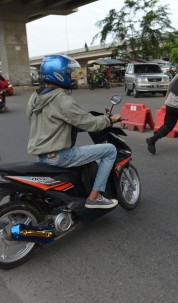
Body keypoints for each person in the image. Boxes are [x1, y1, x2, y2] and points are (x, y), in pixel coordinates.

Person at [27, 54, 122, 209]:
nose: (71, 76)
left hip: (43, 157)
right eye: (68, 72)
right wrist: (110, 120)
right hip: (60, 156)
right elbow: (88, 122)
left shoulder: (35, 98)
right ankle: (94, 198)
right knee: (110, 150)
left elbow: (49, 121)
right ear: (58, 74)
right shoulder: (61, 99)